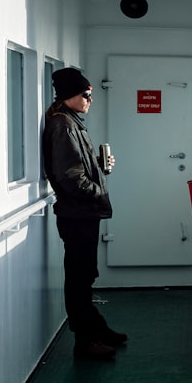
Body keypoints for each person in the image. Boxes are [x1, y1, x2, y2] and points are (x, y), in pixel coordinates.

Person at [42, 67, 127, 360]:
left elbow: (79, 168)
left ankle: (96, 329)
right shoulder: (63, 126)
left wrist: (100, 168)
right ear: (70, 95)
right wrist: (97, 190)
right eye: (86, 94)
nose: (91, 99)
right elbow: (69, 176)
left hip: (81, 213)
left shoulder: (72, 122)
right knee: (79, 277)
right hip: (77, 214)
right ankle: (85, 341)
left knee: (85, 274)